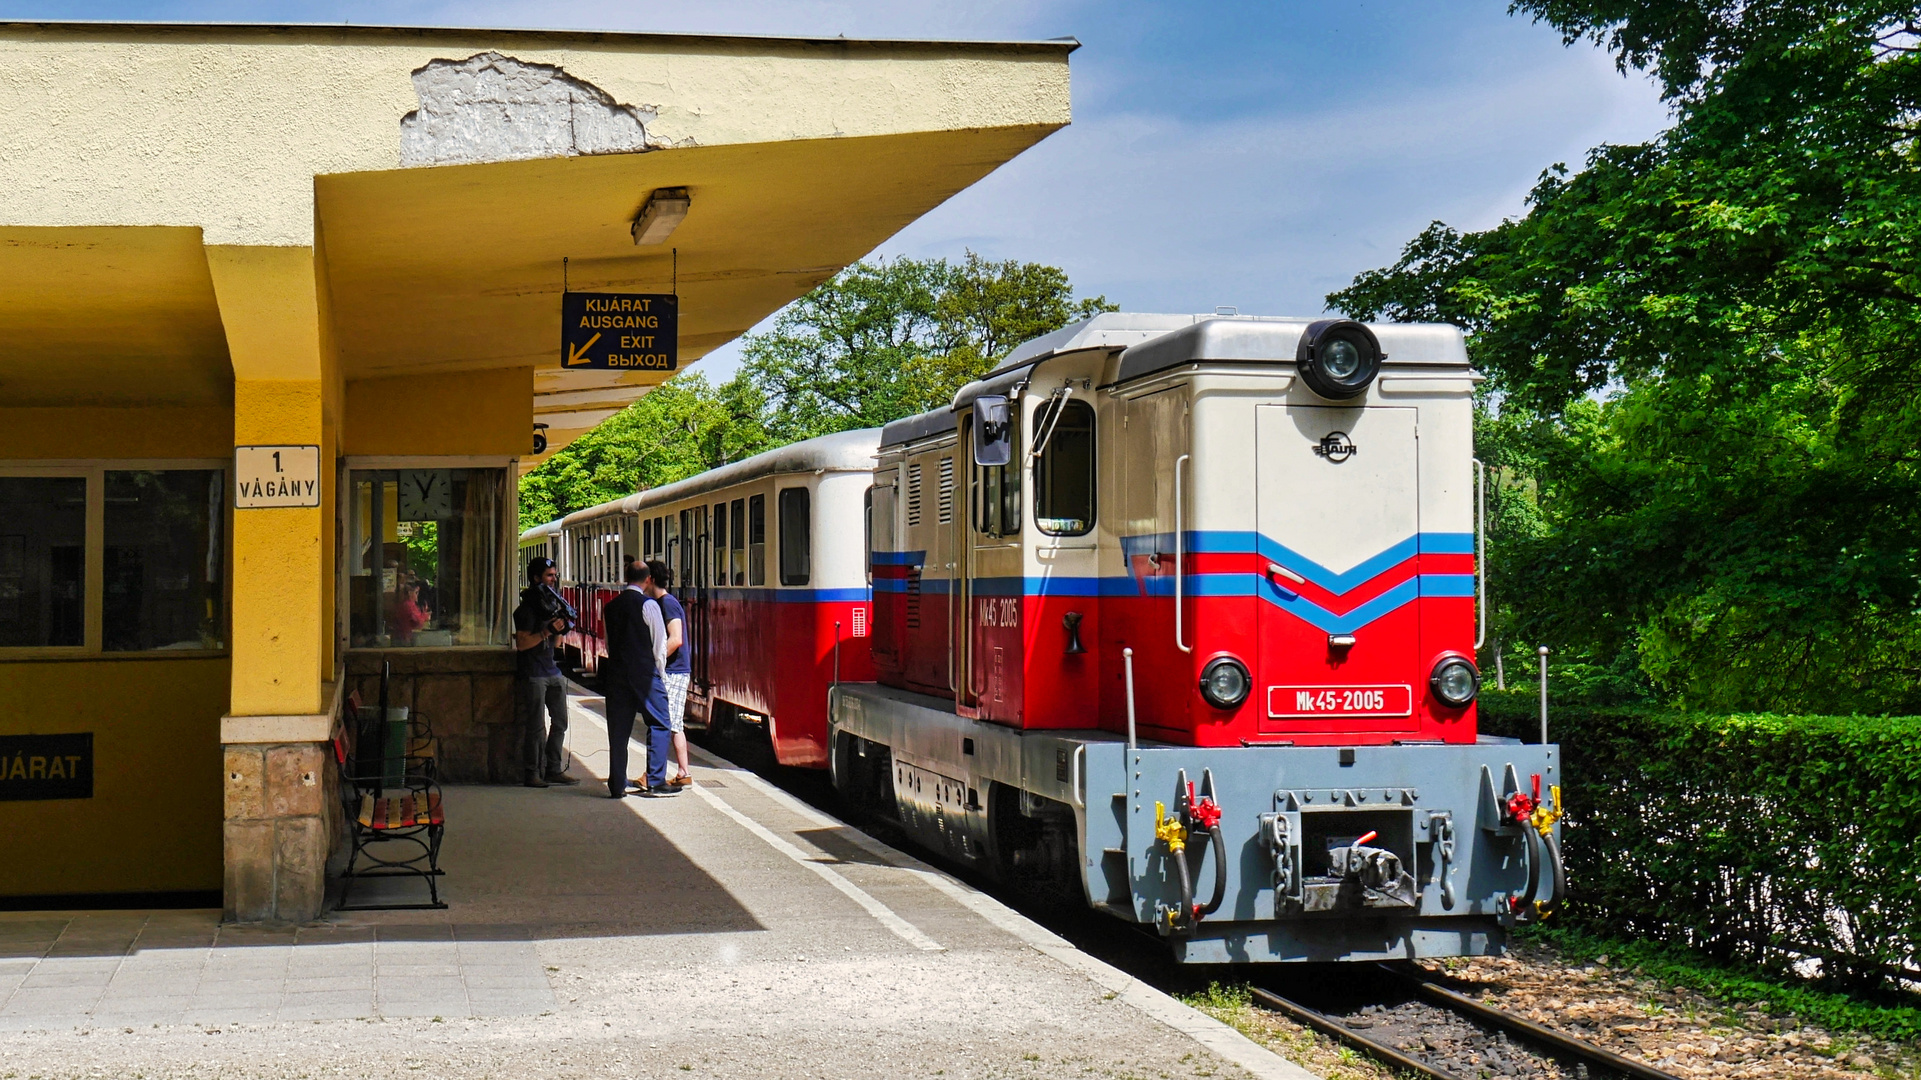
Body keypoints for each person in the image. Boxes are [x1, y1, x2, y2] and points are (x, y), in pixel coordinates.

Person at [603, 559, 676, 798]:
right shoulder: (649, 606)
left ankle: (616, 785)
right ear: (648, 580)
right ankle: (655, 779)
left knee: (618, 731)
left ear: (626, 579)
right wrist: (660, 673)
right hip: (644, 673)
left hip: (616, 674)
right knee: (660, 722)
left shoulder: (610, 607)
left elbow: (608, 642)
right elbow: (659, 645)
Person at [512, 558, 580, 789]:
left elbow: (558, 643)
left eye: (554, 575)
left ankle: (553, 768)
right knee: (536, 726)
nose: (554, 580)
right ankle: (532, 772)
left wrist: (560, 626)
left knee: (560, 722)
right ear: (536, 578)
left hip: (551, 669)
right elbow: (521, 644)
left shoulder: (548, 605)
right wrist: (546, 631)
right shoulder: (526, 610)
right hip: (533, 673)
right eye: (549, 576)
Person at [643, 558, 693, 787]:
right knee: (673, 723)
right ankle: (683, 772)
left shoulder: (668, 604)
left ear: (651, 579)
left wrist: (656, 659)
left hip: (673, 671)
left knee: (665, 722)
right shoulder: (663, 603)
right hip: (673, 669)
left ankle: (656, 774)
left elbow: (676, 639)